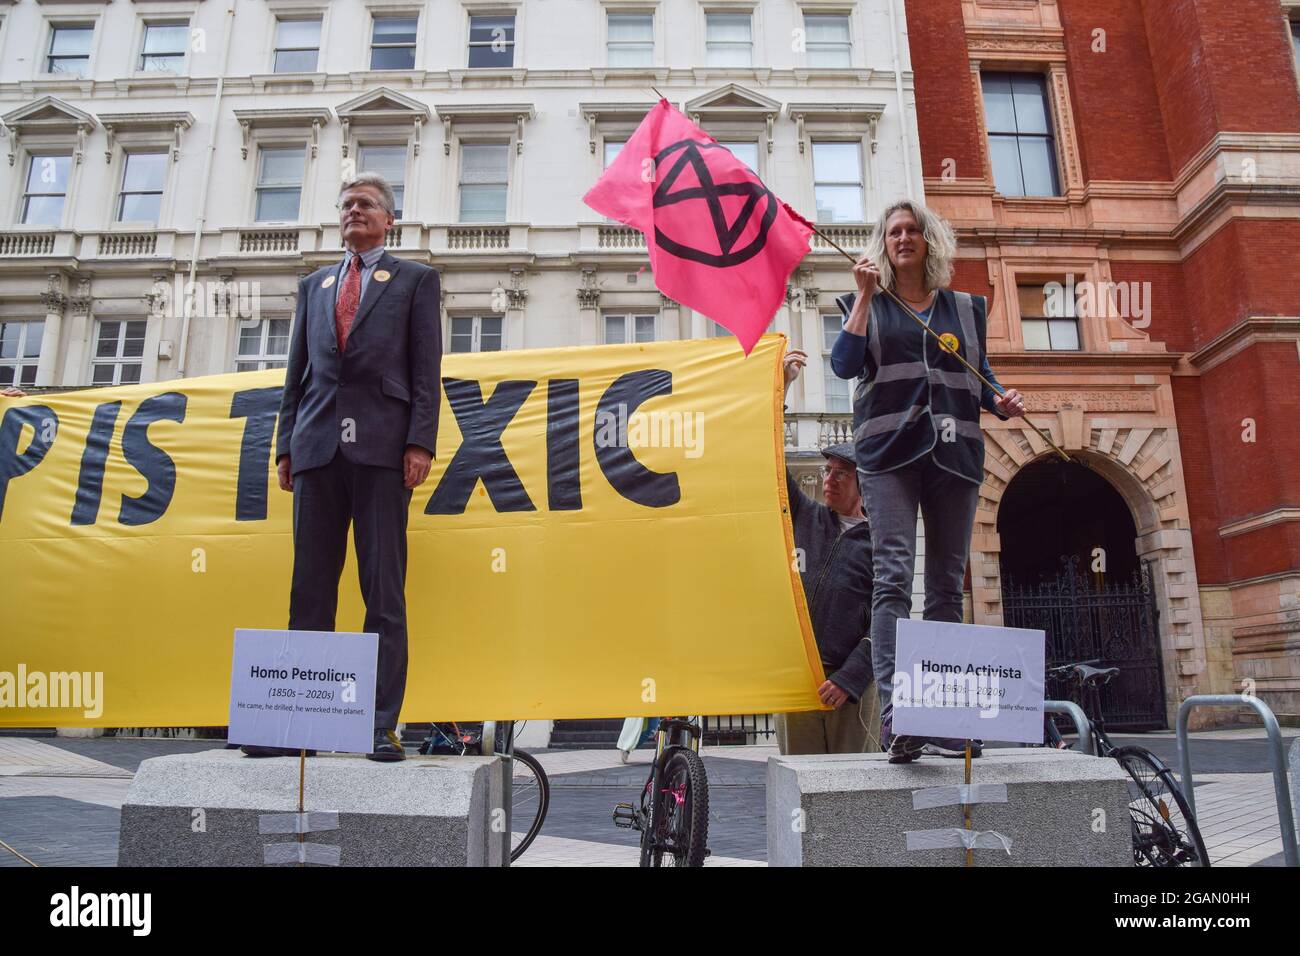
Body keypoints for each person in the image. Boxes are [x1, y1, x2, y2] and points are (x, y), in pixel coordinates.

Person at [245, 172, 442, 762]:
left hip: (383, 449)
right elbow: (295, 373)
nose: (354, 212)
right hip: (315, 448)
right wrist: (286, 445)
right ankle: (296, 722)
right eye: (347, 205)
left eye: (366, 205)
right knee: (309, 588)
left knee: (382, 591)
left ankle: (378, 724)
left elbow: (426, 369)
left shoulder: (415, 281)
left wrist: (420, 443)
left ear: (390, 219)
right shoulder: (314, 285)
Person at [831, 199, 1026, 764]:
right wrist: (865, 297)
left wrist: (1000, 399)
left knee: (945, 584)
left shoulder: (964, 308)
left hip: (955, 452)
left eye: (914, 229)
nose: (904, 237)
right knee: (893, 577)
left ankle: (940, 716)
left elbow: (979, 373)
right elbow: (845, 366)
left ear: (929, 241)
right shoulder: (864, 303)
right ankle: (898, 715)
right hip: (888, 454)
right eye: (893, 231)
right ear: (882, 244)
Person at [775, 347, 878, 755]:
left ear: (863, 485)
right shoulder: (806, 515)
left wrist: (849, 679)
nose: (829, 480)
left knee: (852, 792)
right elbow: (770, 460)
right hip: (797, 679)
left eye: (841, 474)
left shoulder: (883, 544)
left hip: (850, 690)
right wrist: (781, 389)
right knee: (798, 786)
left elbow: (889, 623)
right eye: (827, 472)